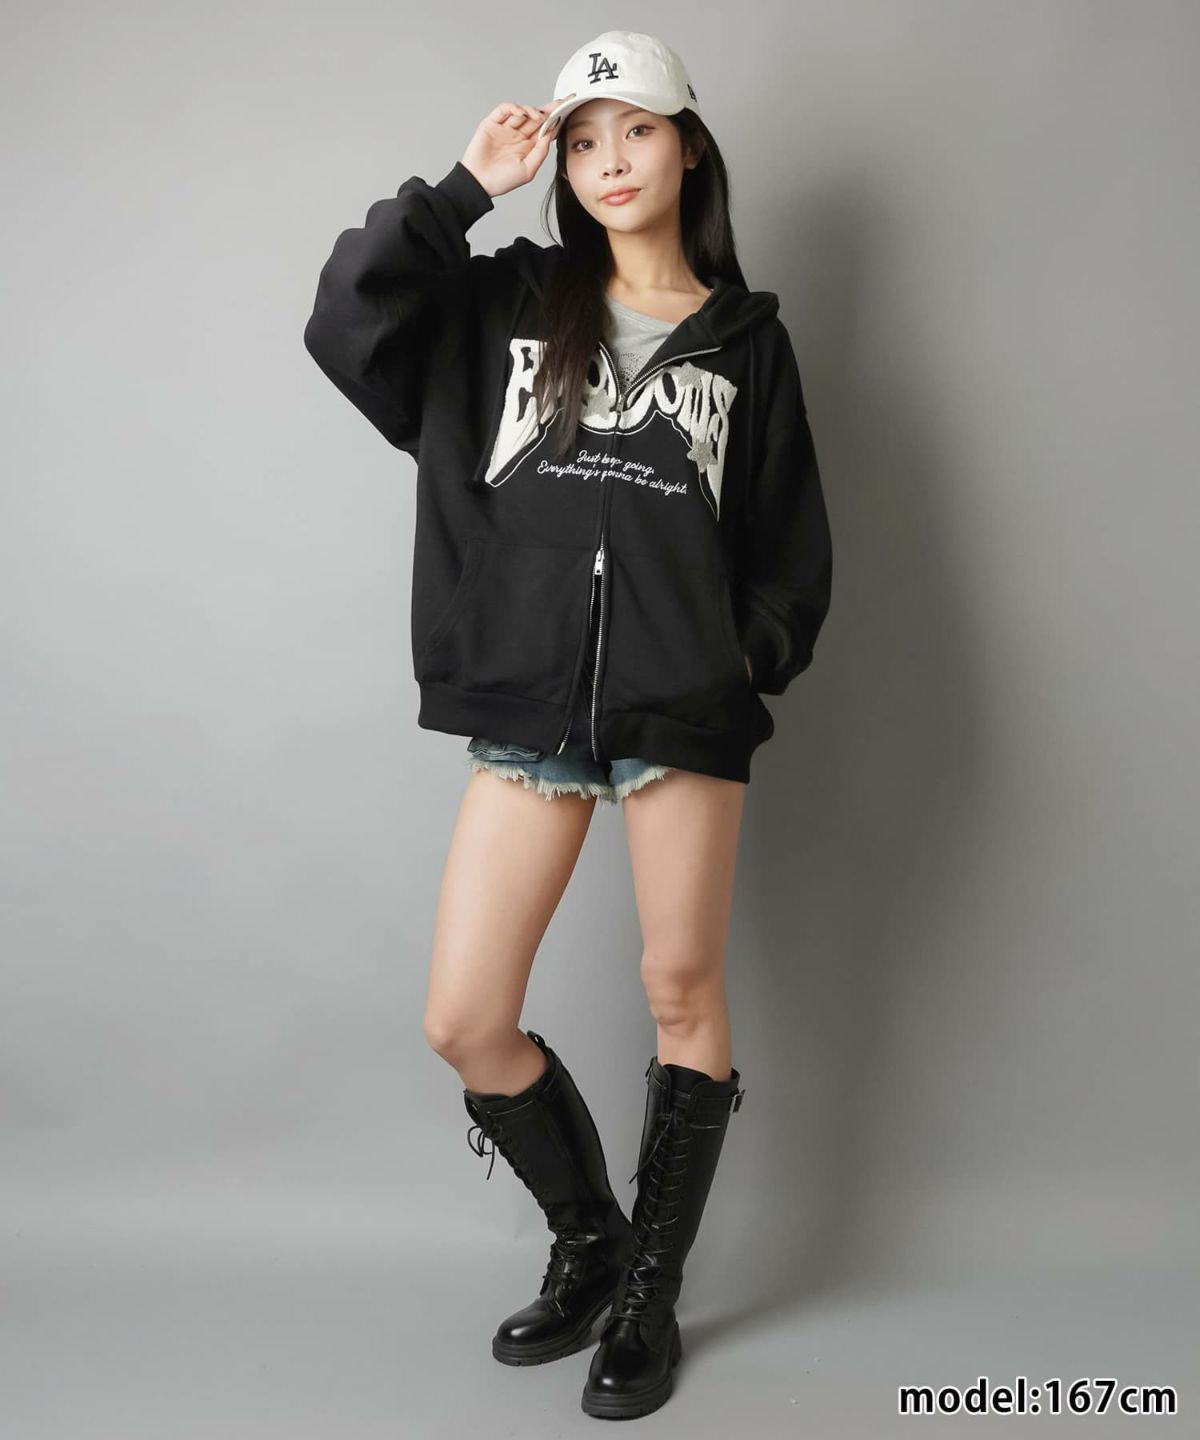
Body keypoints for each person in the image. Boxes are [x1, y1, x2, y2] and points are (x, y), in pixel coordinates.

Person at [303, 29, 833, 1421]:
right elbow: (347, 319)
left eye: (637, 131)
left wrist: (733, 657)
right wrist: (461, 191)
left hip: (679, 706)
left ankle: (650, 1294)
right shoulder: (509, 303)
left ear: (689, 147)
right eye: (586, 139)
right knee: (465, 1016)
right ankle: (591, 1237)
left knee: (681, 992)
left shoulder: (748, 343)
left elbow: (789, 554)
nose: (609, 160)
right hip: (528, 698)